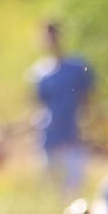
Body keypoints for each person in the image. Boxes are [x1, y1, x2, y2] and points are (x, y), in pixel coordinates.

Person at [30, 21, 94, 193]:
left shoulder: (78, 67)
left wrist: (89, 127)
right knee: (52, 186)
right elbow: (38, 105)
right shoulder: (39, 72)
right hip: (49, 135)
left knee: (74, 187)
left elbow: (89, 99)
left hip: (74, 133)